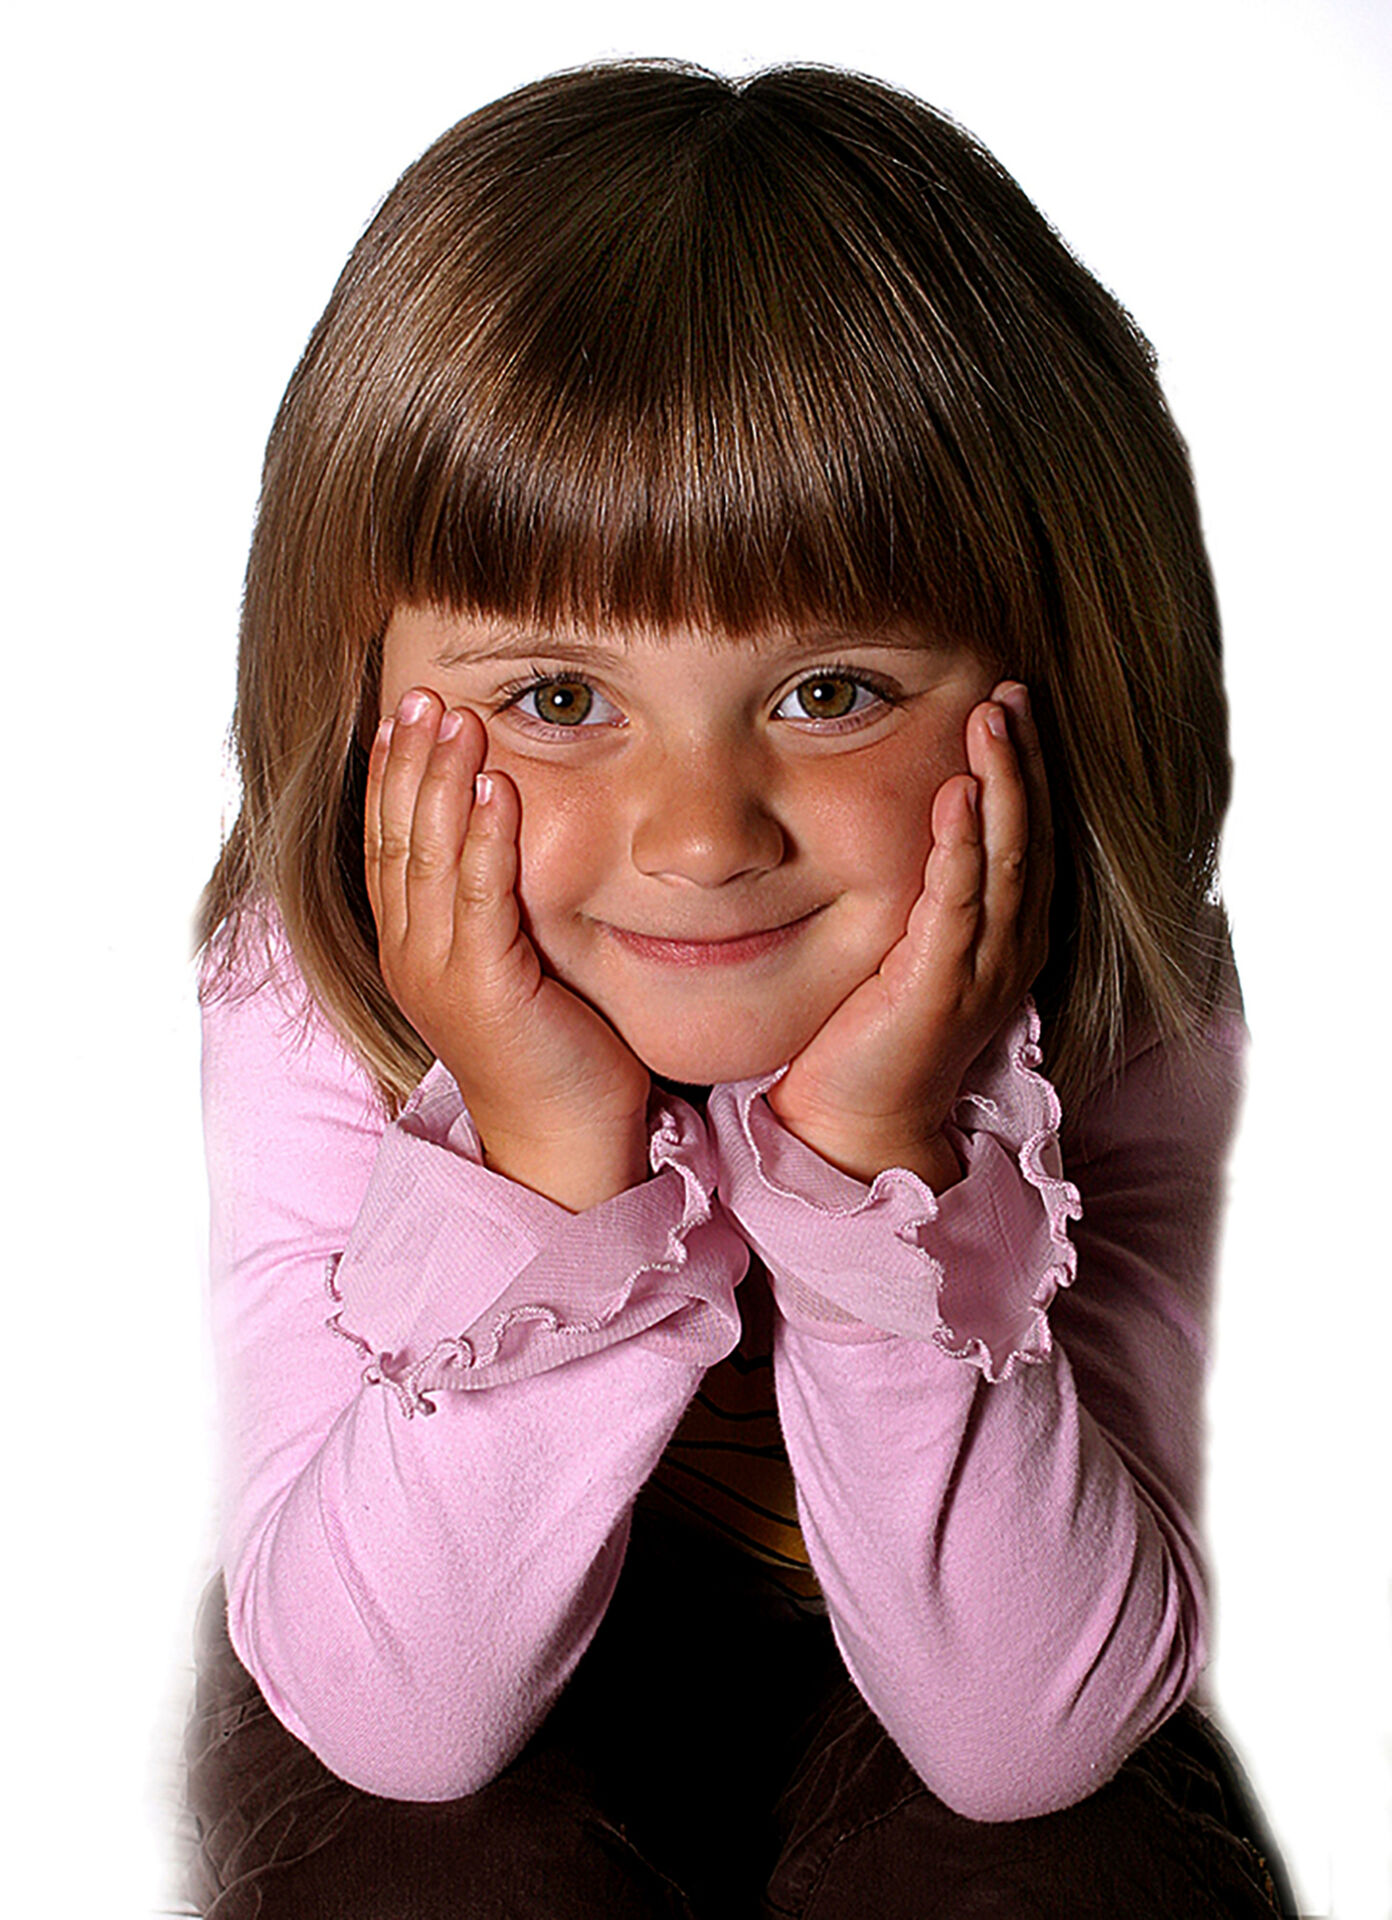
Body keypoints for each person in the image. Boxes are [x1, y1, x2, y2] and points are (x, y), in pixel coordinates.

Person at [183, 59, 1297, 1919]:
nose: (701, 836)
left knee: (1061, 1870)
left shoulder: (1114, 1005)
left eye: (830, 692)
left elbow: (1019, 1730)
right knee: (426, 1871)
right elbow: (403, 1718)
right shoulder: (315, 998)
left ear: (1061, 674)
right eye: (559, 699)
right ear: (359, 693)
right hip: (432, 1643)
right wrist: (546, 1154)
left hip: (962, 1660)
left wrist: (879, 1149)